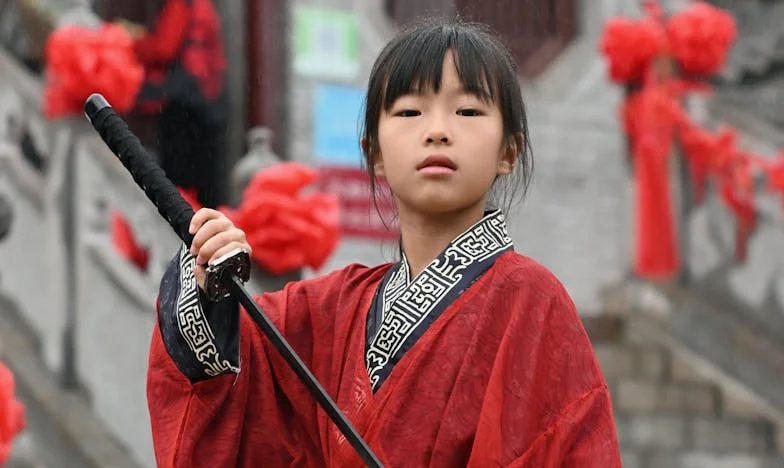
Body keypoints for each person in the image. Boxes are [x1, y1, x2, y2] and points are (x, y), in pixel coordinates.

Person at [146, 19, 621, 467]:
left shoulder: (532, 303)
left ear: (508, 151)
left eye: (468, 111)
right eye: (410, 111)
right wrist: (209, 293)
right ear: (374, 152)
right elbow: (231, 387)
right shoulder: (326, 312)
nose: (437, 130)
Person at [124, 0, 228, 208]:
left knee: (178, 184)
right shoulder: (202, 4)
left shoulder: (181, 3)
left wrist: (129, 41)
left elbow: (163, 48)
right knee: (203, 182)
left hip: (184, 106)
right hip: (205, 104)